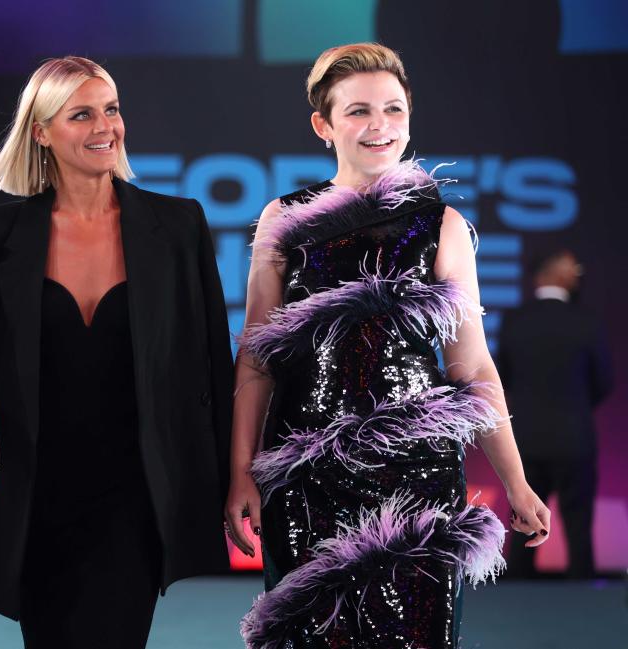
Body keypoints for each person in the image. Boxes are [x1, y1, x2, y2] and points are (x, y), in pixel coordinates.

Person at [225, 43, 551, 648]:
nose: (379, 126)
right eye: (358, 111)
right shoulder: (284, 219)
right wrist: (241, 471)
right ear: (323, 125)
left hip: (417, 476)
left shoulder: (443, 225)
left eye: (394, 110)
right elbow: (256, 358)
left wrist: (517, 482)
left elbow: (472, 364)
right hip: (307, 474)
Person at [0, 56, 234, 649]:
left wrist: (232, 479)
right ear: (42, 132)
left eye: (112, 109)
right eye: (81, 114)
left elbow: (211, 363)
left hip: (136, 497)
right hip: (33, 498)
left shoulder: (177, 225)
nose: (105, 126)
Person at [499, 250, 613, 579]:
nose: (578, 272)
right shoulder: (586, 321)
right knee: (579, 524)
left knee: (523, 520)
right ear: (557, 275)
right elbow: (604, 382)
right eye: (573, 267)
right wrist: (574, 407)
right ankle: (585, 601)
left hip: (526, 438)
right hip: (575, 437)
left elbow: (501, 377)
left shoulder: (515, 320)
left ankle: (517, 594)